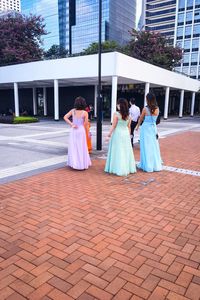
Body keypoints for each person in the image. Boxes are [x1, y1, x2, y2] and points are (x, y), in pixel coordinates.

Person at [105, 98, 136, 176]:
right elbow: (129, 127)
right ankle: (126, 167)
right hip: (125, 133)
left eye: (118, 104)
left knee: (117, 150)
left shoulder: (116, 114)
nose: (117, 105)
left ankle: (117, 167)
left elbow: (113, 126)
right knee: (125, 151)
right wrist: (128, 135)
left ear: (120, 105)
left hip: (118, 134)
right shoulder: (129, 115)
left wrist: (109, 134)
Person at [136, 93, 162, 172]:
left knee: (145, 146)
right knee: (153, 146)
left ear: (148, 99)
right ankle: (154, 165)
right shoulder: (157, 109)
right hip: (153, 129)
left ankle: (146, 164)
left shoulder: (145, 109)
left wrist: (137, 126)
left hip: (145, 129)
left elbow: (140, 119)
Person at [63, 96, 91, 170]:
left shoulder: (72, 111)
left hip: (73, 130)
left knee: (73, 147)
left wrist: (72, 124)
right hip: (81, 130)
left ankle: (74, 163)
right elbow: (86, 124)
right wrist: (88, 133)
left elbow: (65, 117)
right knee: (81, 147)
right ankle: (81, 163)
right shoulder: (85, 113)